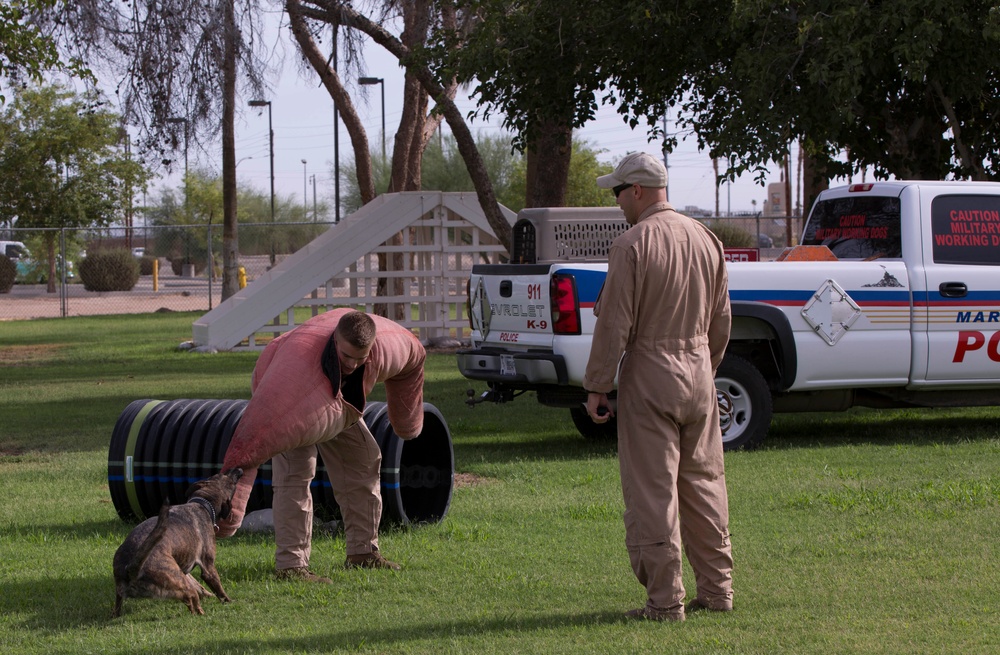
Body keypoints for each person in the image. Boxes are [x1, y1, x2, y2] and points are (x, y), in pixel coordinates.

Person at [582, 152, 734, 621]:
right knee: (705, 484)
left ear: (639, 191)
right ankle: (717, 589)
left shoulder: (632, 244)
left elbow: (614, 325)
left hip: (651, 371)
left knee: (653, 491)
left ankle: (666, 602)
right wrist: (705, 368)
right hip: (699, 371)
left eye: (618, 192)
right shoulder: (707, 239)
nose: (618, 201)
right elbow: (722, 320)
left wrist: (597, 386)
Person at [217, 308, 426, 581]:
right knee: (296, 471)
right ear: (335, 341)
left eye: (360, 358)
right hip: (288, 396)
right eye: (346, 356)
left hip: (339, 403)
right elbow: (246, 450)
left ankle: (363, 553)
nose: (352, 364)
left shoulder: (387, 350)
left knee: (364, 458)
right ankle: (291, 566)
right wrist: (229, 512)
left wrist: (408, 424)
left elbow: (414, 362)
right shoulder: (297, 374)